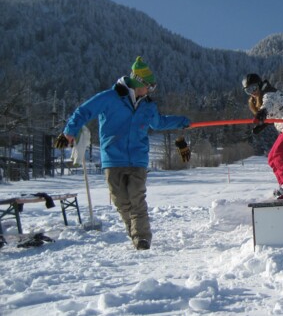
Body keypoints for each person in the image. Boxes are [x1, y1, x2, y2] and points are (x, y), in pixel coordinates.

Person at [54, 56, 191, 250]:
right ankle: (134, 231)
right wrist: (69, 131)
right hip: (113, 159)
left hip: (138, 159)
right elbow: (83, 111)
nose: (150, 90)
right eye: (149, 86)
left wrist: (182, 121)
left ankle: (142, 238)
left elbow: (159, 122)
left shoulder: (148, 105)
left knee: (137, 199)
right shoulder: (109, 98)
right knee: (121, 202)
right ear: (138, 82)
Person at [242, 73, 283, 199]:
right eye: (248, 91)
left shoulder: (269, 93)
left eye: (254, 88)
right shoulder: (259, 98)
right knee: (272, 157)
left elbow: (268, 104)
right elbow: (273, 115)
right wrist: (262, 125)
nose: (252, 92)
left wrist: (262, 112)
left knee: (278, 154)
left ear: (260, 85)